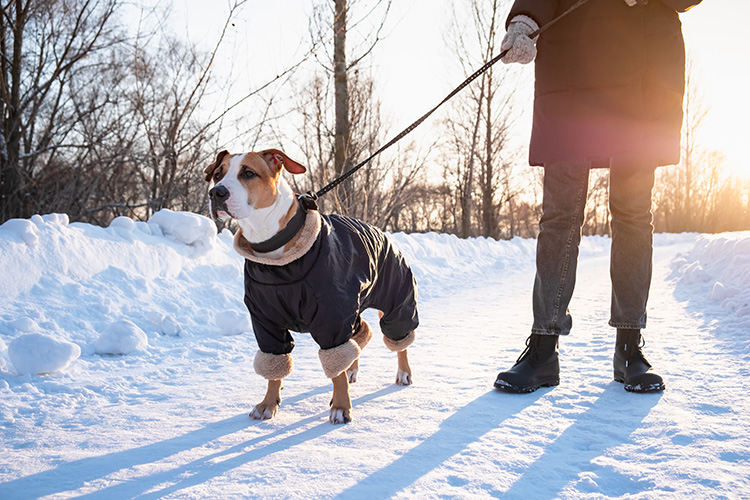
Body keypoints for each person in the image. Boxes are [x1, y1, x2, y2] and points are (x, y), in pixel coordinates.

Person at [494, 0, 702, 394]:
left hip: (643, 71)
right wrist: (523, 23)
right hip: (571, 65)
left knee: (633, 213)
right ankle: (543, 348)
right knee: (559, 215)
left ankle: (629, 348)